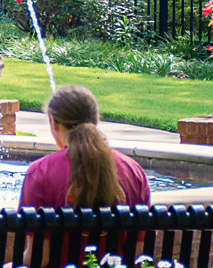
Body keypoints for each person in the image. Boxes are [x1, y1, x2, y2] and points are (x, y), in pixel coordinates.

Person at [17, 84, 152, 207]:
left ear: (53, 123)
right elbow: (147, 233)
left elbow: (29, 234)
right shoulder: (134, 172)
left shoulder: (40, 172)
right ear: (96, 120)